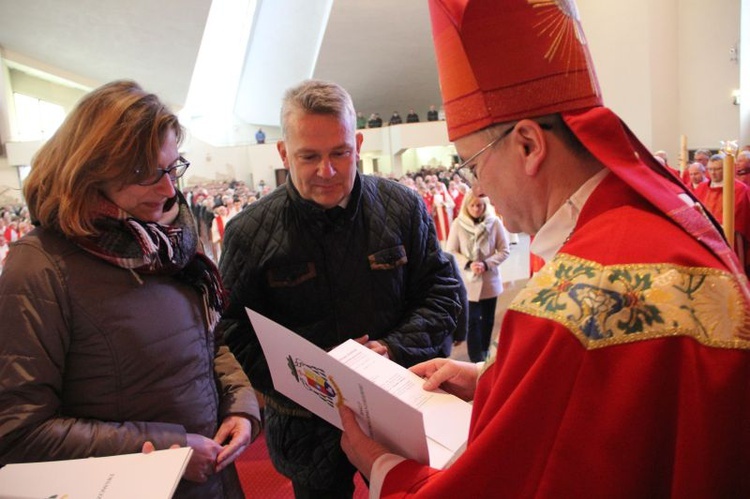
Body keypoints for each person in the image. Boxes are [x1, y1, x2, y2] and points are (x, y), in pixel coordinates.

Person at [338, 1, 750, 497]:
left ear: (529, 146)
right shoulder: (668, 224)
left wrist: (382, 464)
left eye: (474, 166)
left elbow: (502, 485)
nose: (480, 190)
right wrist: (492, 380)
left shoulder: (571, 296)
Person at [0, 80, 261, 499]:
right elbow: (19, 431)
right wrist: (167, 450)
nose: (169, 189)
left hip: (210, 480)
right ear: (89, 172)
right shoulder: (39, 267)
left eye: (172, 168)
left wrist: (240, 408)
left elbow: (209, 344)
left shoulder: (165, 245)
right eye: (145, 174)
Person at [216, 79, 463, 498]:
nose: (326, 171)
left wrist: (393, 348)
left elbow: (441, 293)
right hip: (303, 423)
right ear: (283, 153)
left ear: (359, 143)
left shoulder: (402, 207)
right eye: (308, 157)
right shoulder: (248, 233)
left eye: (340, 153)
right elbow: (233, 329)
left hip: (396, 406)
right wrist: (305, 379)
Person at [446, 191, 510, 362]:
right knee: (472, 321)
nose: (476, 209)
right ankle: (476, 357)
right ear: (466, 206)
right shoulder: (458, 224)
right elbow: (451, 251)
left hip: (489, 280)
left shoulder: (494, 222)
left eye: (479, 205)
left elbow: (504, 250)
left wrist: (487, 263)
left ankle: (484, 349)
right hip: (469, 281)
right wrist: (469, 263)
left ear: (485, 205)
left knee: (488, 320)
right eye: (472, 205)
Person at [694, 154, 750, 275]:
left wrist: (720, 226)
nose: (713, 173)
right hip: (706, 236)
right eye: (710, 169)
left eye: (717, 169)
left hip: (731, 236)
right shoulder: (702, 188)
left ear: (726, 169)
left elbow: (741, 214)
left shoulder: (740, 188)